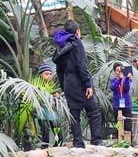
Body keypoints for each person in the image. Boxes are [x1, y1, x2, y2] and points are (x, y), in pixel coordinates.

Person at [52, 20, 102, 148]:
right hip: (79, 81)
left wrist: (64, 87)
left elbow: (59, 70)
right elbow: (81, 65)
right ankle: (96, 140)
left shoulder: (61, 46)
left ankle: (78, 143)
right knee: (93, 111)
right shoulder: (76, 43)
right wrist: (88, 85)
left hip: (68, 83)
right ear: (77, 31)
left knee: (74, 114)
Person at [36, 63, 66, 148]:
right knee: (44, 129)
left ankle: (58, 143)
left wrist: (57, 96)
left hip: (53, 111)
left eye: (50, 74)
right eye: (46, 74)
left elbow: (59, 96)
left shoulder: (53, 85)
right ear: (41, 75)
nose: (49, 76)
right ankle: (44, 145)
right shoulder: (37, 85)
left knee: (56, 127)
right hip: (42, 111)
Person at [110, 62, 133, 141]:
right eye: (117, 70)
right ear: (114, 71)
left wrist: (125, 78)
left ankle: (129, 141)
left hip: (126, 105)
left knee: (128, 124)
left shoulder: (127, 80)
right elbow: (113, 88)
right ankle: (118, 139)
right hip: (117, 105)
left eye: (120, 70)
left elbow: (127, 88)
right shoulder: (113, 81)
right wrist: (119, 79)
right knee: (118, 124)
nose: (119, 72)